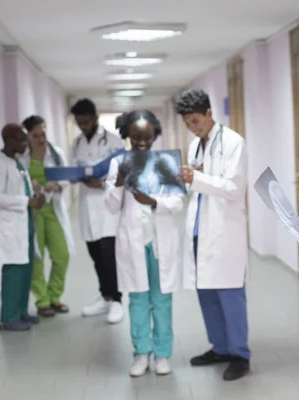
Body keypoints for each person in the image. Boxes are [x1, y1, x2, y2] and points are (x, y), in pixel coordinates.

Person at [176, 89, 250, 381]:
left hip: (223, 230)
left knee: (230, 293)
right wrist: (190, 177)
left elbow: (233, 188)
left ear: (209, 113)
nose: (193, 128)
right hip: (198, 228)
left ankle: (240, 355)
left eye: (196, 121)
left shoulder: (234, 142)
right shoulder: (196, 144)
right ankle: (219, 347)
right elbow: (201, 180)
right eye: (188, 124)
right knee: (206, 291)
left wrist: (197, 177)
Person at [105, 110, 183, 378]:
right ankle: (140, 353)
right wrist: (117, 183)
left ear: (154, 136)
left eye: (147, 137)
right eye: (136, 137)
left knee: (162, 300)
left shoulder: (166, 162)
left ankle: (162, 354)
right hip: (133, 242)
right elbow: (112, 206)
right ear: (126, 135)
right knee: (137, 300)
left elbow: (177, 202)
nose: (141, 142)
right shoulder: (118, 164)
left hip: (160, 241)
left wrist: (154, 202)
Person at [71, 98, 125, 324]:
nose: (82, 126)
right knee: (95, 256)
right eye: (79, 123)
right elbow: (75, 167)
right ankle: (105, 297)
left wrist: (102, 183)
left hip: (107, 206)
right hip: (86, 206)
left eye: (85, 122)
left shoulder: (113, 141)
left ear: (95, 118)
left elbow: (123, 172)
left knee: (109, 256)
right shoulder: (76, 143)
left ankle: (117, 301)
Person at [0, 123, 46, 331]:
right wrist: (25, 202)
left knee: (26, 269)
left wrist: (34, 198)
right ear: (9, 141)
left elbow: (23, 187)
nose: (26, 146)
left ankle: (21, 311)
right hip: (10, 225)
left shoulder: (17, 162)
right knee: (13, 271)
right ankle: (9, 318)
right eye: (23, 142)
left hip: (24, 222)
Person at [20, 115, 75, 317]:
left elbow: (66, 178)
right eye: (36, 136)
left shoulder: (56, 153)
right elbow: (17, 183)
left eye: (43, 134)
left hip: (52, 208)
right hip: (33, 210)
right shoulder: (22, 157)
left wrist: (58, 185)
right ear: (27, 137)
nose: (41, 139)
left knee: (62, 255)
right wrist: (29, 185)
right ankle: (42, 300)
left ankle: (55, 296)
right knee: (36, 258)